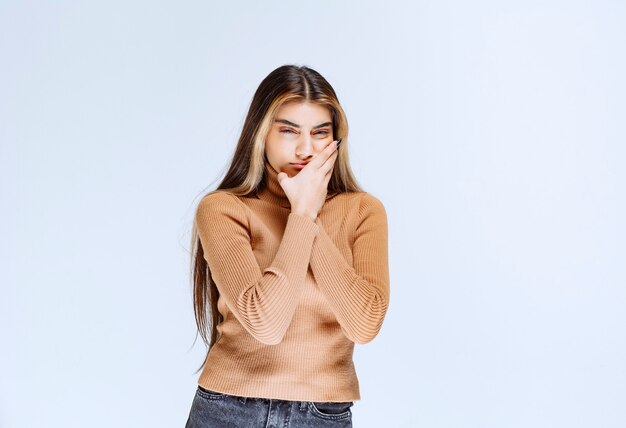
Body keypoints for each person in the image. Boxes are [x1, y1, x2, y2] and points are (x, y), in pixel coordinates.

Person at [185, 64, 390, 427]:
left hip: (322, 416)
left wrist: (306, 215)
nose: (306, 148)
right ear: (261, 134)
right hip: (227, 411)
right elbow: (265, 324)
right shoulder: (223, 209)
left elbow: (364, 325)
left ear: (336, 140)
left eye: (320, 133)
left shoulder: (362, 211)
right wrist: (303, 215)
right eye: (288, 131)